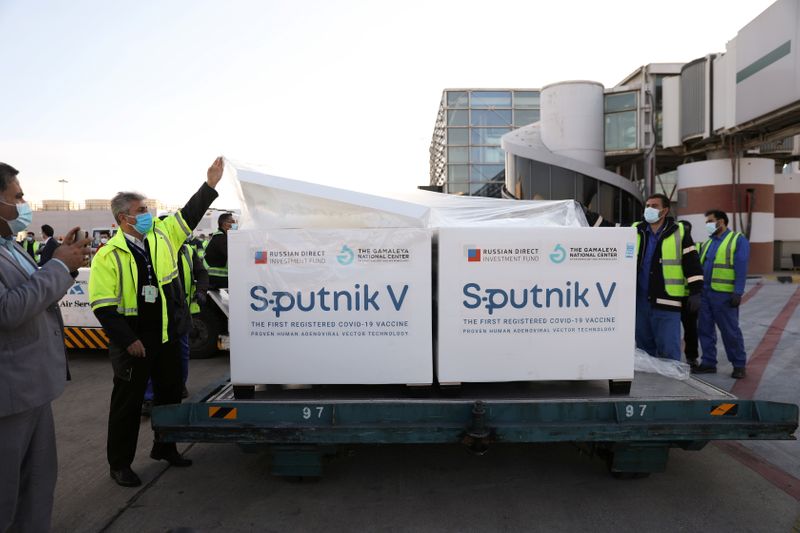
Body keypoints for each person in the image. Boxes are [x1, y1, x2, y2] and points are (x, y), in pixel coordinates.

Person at [89, 157, 223, 487]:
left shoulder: (162, 236)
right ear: (124, 218)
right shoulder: (109, 255)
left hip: (165, 336)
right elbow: (104, 307)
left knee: (169, 396)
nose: (148, 215)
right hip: (133, 343)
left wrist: (210, 185)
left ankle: (165, 447)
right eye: (141, 210)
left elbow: (189, 215)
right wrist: (128, 340)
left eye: (148, 209)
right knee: (128, 406)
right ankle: (119, 463)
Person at [0, 162, 91, 532]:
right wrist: (56, 267)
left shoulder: (9, 244)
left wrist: (64, 266)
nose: (24, 204)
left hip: (32, 388)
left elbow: (34, 290)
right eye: (17, 196)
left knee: (36, 490)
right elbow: (7, 311)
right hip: (9, 396)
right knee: (8, 496)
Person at [142, 216, 210, 417]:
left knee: (182, 354)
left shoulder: (188, 252)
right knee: (152, 356)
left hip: (181, 313)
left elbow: (202, 273)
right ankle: (148, 397)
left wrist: (202, 291)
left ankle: (179, 386)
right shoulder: (150, 253)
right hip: (157, 315)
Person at [633, 194, 703, 361]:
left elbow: (692, 264)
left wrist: (696, 292)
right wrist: (589, 215)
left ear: (664, 210)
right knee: (644, 351)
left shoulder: (679, 232)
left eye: (654, 206)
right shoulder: (636, 229)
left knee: (669, 351)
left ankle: (670, 385)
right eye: (647, 205)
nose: (649, 209)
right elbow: (610, 228)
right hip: (640, 302)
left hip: (667, 301)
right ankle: (651, 384)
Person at [692, 209, 751, 378]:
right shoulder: (708, 243)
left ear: (721, 222)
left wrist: (738, 292)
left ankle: (739, 364)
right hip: (706, 294)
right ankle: (708, 362)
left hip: (724, 296)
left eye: (710, 221)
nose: (707, 225)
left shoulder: (737, 240)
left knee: (730, 332)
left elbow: (741, 268)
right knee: (705, 330)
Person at [679, 220, 700, 368]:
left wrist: (696, 293)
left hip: (689, 297)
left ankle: (691, 357)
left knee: (690, 330)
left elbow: (698, 271)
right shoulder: (670, 246)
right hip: (672, 295)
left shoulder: (696, 247)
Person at [204, 212, 236, 289]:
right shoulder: (221, 238)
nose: (235, 224)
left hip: (213, 277)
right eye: (232, 222)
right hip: (217, 277)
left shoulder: (219, 237)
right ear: (225, 224)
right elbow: (233, 256)